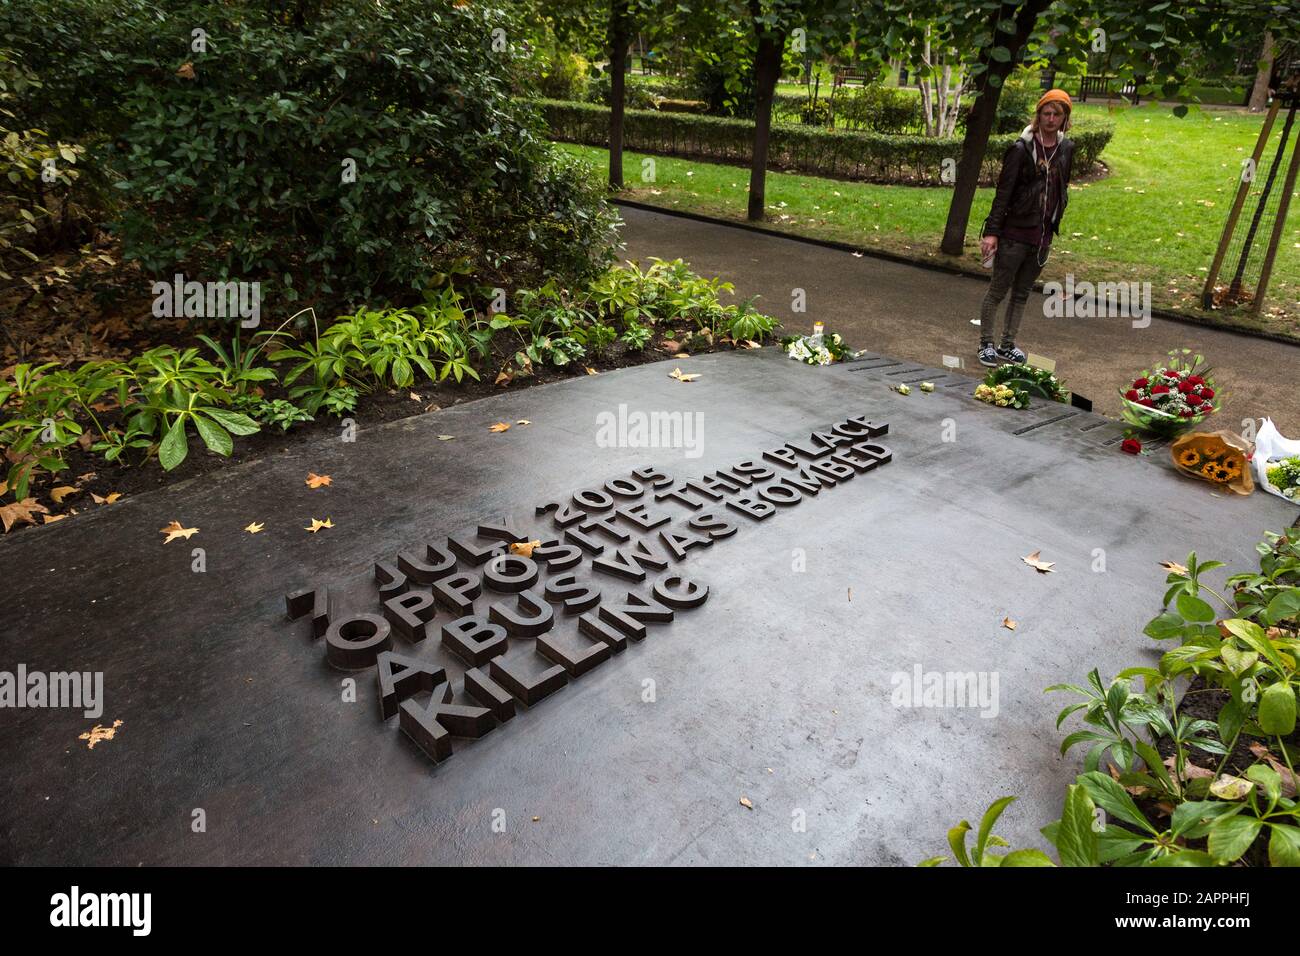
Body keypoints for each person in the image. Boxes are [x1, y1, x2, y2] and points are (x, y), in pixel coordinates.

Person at [976, 88, 1075, 367]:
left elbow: (1061, 188)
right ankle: (986, 343)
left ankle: (1008, 345)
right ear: (1038, 115)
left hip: (1042, 235)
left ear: (1065, 118)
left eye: (1057, 114)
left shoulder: (1066, 148)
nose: (1051, 118)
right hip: (1014, 233)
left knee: (1022, 293)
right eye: (1046, 113)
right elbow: (1003, 192)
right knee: (998, 290)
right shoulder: (1020, 149)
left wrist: (1054, 220)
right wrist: (992, 232)